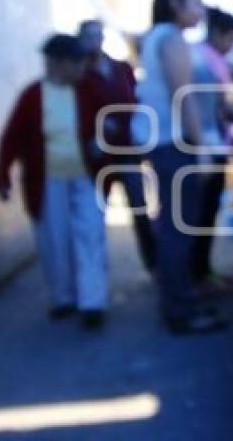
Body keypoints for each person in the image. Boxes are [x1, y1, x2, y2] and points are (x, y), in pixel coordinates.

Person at [0, 34, 110, 330]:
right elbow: (12, 137)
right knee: (54, 239)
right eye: (78, 63)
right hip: (47, 180)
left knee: (90, 234)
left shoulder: (89, 90)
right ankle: (63, 297)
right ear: (58, 64)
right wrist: (2, 173)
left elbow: (111, 122)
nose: (83, 68)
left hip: (86, 175)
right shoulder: (32, 96)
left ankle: (92, 301)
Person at [132, 0, 227, 334]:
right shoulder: (170, 38)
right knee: (179, 229)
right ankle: (180, 312)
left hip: (164, 143)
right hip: (174, 144)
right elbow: (183, 94)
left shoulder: (157, 36)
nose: (200, 11)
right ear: (175, 2)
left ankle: (181, 300)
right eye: (196, 3)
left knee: (176, 226)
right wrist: (201, 148)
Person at [78, 19, 156, 273]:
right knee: (94, 217)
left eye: (98, 34)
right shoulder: (79, 75)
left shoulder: (121, 69)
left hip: (127, 152)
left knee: (140, 210)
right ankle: (94, 275)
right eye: (89, 35)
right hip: (97, 158)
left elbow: (136, 101)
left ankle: (153, 265)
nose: (95, 40)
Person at [190, 7, 233, 288]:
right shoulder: (206, 61)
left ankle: (201, 272)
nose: (232, 46)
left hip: (215, 146)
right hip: (208, 150)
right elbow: (219, 108)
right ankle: (198, 275)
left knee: (206, 215)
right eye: (232, 39)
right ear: (219, 34)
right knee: (202, 216)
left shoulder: (212, 59)